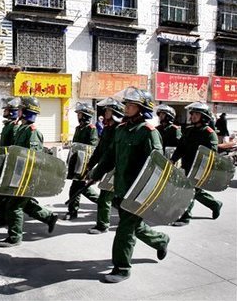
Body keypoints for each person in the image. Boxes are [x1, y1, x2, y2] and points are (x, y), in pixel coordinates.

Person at [88, 87, 170, 283]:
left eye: (131, 105)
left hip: (138, 192)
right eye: (126, 104)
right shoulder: (121, 130)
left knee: (124, 230)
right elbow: (109, 157)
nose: (126, 108)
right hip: (121, 188)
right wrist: (95, 173)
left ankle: (122, 268)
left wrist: (152, 195)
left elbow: (157, 166)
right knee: (136, 227)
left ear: (142, 109)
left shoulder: (148, 133)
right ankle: (161, 240)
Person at [0, 96, 58, 247]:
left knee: (14, 206)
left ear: (26, 112)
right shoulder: (22, 129)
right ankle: (49, 218)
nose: (17, 111)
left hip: (26, 176)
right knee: (24, 204)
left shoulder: (32, 132)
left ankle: (15, 237)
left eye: (20, 109)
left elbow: (34, 159)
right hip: (18, 173)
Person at [170, 102, 222, 226]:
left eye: (196, 114)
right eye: (192, 114)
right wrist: (173, 159)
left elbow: (212, 154)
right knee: (194, 191)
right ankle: (215, 204)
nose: (192, 116)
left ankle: (185, 216)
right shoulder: (188, 131)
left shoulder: (209, 133)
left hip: (200, 168)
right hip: (187, 166)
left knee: (189, 190)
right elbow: (181, 148)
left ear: (203, 116)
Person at [85, 98, 124, 234]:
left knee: (105, 197)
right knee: (115, 198)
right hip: (106, 167)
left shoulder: (119, 129)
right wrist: (91, 164)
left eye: (108, 110)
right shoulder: (107, 129)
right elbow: (100, 149)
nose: (105, 112)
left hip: (115, 169)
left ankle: (102, 225)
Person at [64, 102, 99, 221]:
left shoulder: (91, 129)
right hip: (76, 162)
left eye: (79, 114)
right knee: (82, 188)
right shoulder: (78, 128)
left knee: (76, 188)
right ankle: (103, 203)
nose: (77, 116)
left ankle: (73, 211)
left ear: (85, 115)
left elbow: (92, 147)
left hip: (84, 164)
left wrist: (89, 167)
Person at [0, 96, 20, 228]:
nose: (4, 112)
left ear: (12, 112)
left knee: (4, 193)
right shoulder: (8, 125)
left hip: (10, 164)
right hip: (4, 163)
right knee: (2, 192)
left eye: (6, 110)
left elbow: (13, 149)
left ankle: (3, 218)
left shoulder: (13, 127)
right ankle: (3, 217)